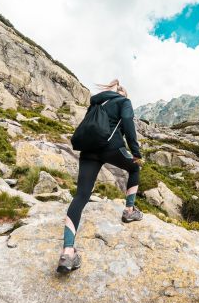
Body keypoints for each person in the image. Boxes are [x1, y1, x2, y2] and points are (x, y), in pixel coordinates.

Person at [57, 79, 143, 273]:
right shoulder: (124, 102)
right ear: (124, 94)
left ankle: (68, 252)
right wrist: (136, 153)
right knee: (135, 168)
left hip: (88, 150)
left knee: (81, 195)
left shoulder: (97, 102)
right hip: (110, 148)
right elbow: (128, 124)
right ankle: (129, 211)